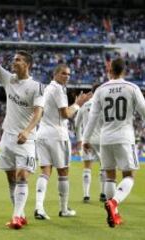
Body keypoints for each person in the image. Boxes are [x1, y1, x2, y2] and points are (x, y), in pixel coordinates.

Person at [0, 27, 44, 229]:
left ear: (27, 65)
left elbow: (38, 112)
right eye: (14, 60)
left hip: (27, 139)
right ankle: (20, 214)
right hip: (8, 137)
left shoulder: (37, 87)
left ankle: (15, 217)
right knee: (11, 178)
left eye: (18, 60)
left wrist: (28, 131)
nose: (13, 62)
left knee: (23, 175)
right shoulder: (9, 79)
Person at [82, 58, 145, 228]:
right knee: (129, 175)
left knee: (110, 176)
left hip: (105, 138)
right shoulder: (132, 88)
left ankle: (114, 213)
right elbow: (144, 110)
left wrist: (86, 138)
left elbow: (92, 118)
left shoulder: (100, 90)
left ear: (110, 70)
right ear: (124, 71)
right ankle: (114, 203)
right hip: (124, 136)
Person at [34, 64, 92, 220]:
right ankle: (63, 209)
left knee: (45, 171)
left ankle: (39, 208)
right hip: (57, 135)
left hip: (42, 133)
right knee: (63, 172)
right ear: (55, 74)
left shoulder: (47, 89)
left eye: (68, 74)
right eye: (63, 73)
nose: (66, 76)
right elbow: (65, 113)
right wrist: (78, 104)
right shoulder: (58, 89)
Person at [75, 83, 106, 203]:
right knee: (103, 167)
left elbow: (76, 124)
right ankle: (103, 194)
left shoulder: (84, 105)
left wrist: (79, 139)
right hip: (101, 140)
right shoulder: (104, 105)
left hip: (86, 140)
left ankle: (86, 195)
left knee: (87, 167)